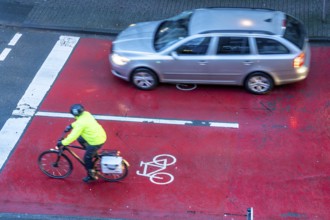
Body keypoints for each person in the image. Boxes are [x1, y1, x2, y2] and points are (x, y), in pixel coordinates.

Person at [57, 104, 107, 182]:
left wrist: (63, 143)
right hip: (99, 135)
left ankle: (92, 176)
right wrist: (71, 125)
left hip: (96, 141)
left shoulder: (80, 124)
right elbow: (80, 121)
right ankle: (90, 151)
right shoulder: (86, 114)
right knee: (80, 138)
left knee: (86, 158)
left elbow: (73, 135)